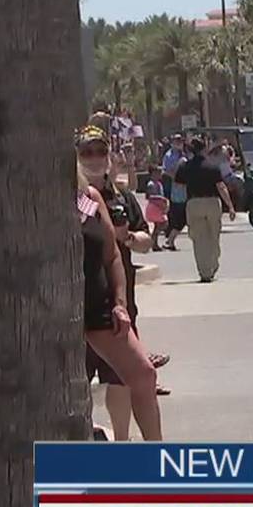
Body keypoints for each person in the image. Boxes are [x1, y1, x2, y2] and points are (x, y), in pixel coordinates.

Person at [78, 145, 164, 441]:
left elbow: (112, 253)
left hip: (99, 309)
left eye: (98, 152)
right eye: (85, 152)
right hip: (53, 310)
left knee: (142, 375)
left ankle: (157, 459)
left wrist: (119, 304)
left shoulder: (87, 199)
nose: (92, 158)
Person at [175, 138, 236, 282]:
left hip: (194, 202)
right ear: (204, 149)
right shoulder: (212, 166)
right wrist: (231, 206)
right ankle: (212, 264)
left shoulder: (185, 166)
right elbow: (221, 187)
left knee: (199, 239)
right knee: (214, 236)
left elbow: (178, 185)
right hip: (212, 202)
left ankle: (204, 271)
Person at [161, 134, 188, 250]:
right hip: (174, 188)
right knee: (177, 214)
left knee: (183, 213)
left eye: (180, 141)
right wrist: (177, 177)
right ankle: (169, 238)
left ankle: (170, 239)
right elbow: (167, 171)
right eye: (177, 141)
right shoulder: (169, 155)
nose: (179, 143)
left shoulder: (184, 154)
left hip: (184, 188)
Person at [144, 165, 168, 251]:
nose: (159, 174)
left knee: (158, 226)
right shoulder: (151, 184)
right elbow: (149, 196)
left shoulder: (159, 184)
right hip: (154, 207)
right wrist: (160, 199)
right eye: (157, 173)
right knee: (162, 223)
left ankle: (155, 244)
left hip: (159, 207)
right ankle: (152, 242)